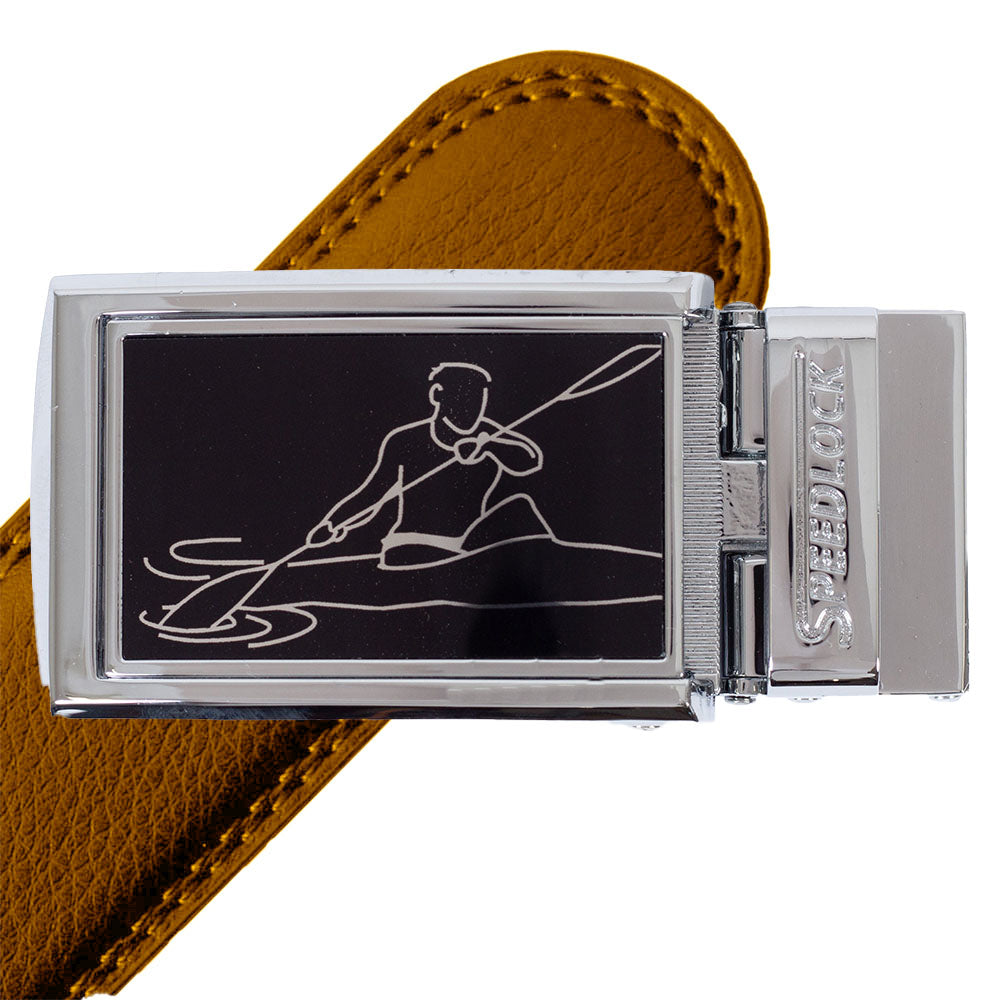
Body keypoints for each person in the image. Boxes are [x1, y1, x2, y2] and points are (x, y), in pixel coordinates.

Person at [305, 362, 549, 568]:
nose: (472, 409)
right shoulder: (405, 440)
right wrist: (333, 524)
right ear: (437, 395)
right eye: (463, 398)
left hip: (468, 544)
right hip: (412, 543)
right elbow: (372, 495)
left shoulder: (489, 434)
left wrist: (489, 446)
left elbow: (531, 460)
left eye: (478, 400)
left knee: (520, 505)